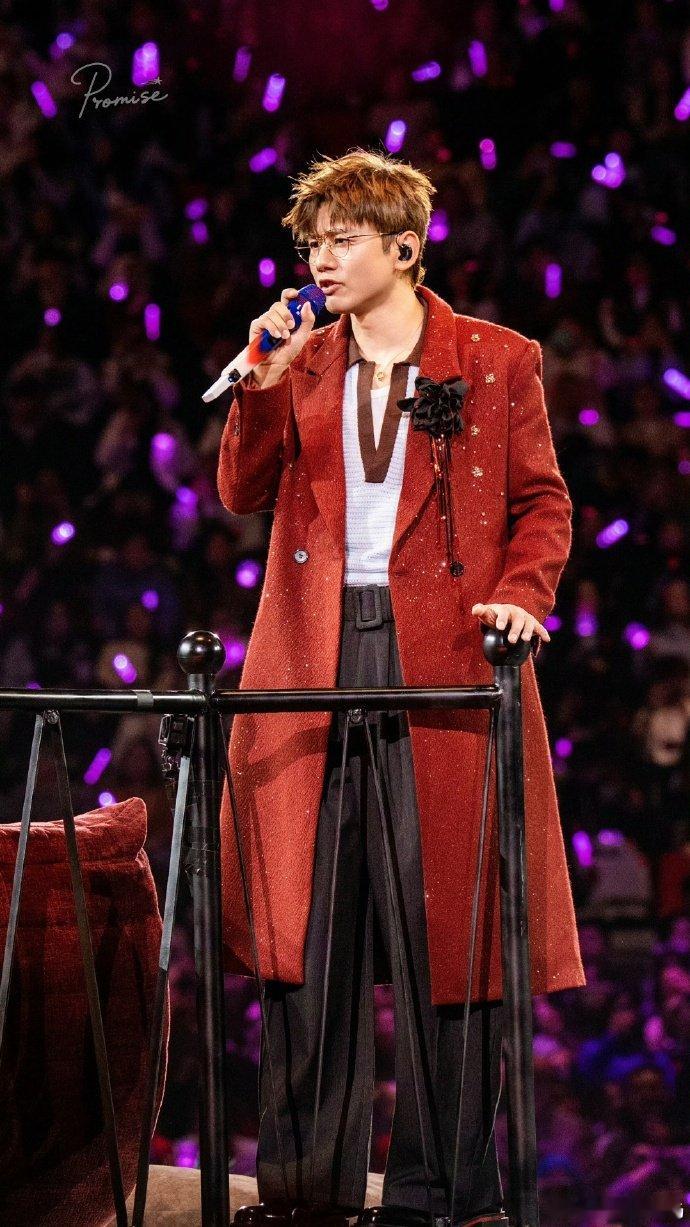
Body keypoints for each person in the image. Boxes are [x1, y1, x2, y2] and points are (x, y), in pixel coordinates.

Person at [217, 149, 584, 1227]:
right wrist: (260, 383)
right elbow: (240, 490)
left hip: (448, 655)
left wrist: (523, 595)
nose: (320, 262)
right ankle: (303, 1188)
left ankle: (438, 1192)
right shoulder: (301, 359)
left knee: (449, 935)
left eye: (342, 242)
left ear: (406, 248)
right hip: (313, 654)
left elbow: (543, 503)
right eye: (311, 245)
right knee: (310, 933)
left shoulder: (497, 359)